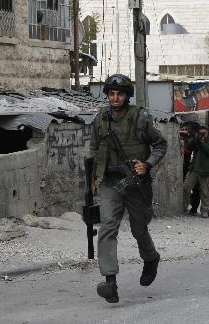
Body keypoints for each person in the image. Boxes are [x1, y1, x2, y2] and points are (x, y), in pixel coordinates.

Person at [89, 74, 167, 303]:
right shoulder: (100, 118)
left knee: (138, 228)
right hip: (110, 182)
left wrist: (147, 164)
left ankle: (151, 258)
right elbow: (94, 149)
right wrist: (93, 179)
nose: (115, 98)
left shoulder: (140, 118)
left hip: (135, 183)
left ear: (127, 96)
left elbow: (160, 144)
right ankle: (110, 281)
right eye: (111, 94)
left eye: (120, 94)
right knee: (107, 228)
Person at [182, 125, 209, 218]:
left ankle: (204, 211)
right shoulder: (196, 140)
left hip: (205, 171)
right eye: (200, 133)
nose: (202, 134)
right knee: (186, 188)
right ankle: (183, 208)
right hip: (194, 169)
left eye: (204, 133)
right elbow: (188, 148)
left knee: (204, 192)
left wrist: (202, 143)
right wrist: (195, 139)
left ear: (207, 133)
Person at [179, 123, 201, 215]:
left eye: (187, 129)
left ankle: (193, 209)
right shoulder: (184, 138)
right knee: (185, 188)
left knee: (196, 189)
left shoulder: (195, 139)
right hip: (185, 166)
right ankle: (185, 207)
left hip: (191, 166)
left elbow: (188, 151)